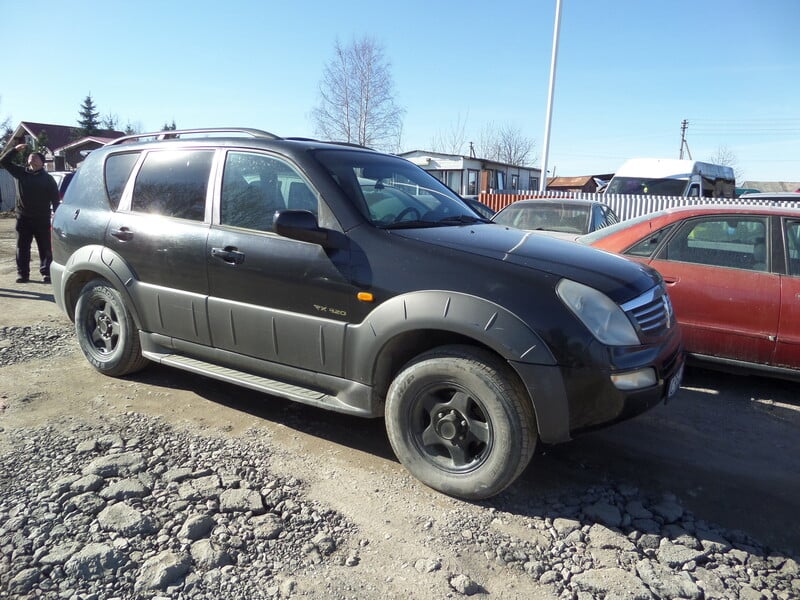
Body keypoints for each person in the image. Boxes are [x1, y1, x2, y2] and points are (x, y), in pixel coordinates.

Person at [0, 143, 60, 283]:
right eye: (30, 157)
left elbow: (55, 200)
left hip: (42, 218)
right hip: (23, 218)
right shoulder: (21, 173)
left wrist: (56, 217)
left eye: (36, 157)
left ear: (42, 162)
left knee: (45, 247)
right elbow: (3, 161)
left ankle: (47, 273)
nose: (32, 158)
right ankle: (23, 274)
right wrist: (14, 150)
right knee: (22, 247)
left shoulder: (48, 179)